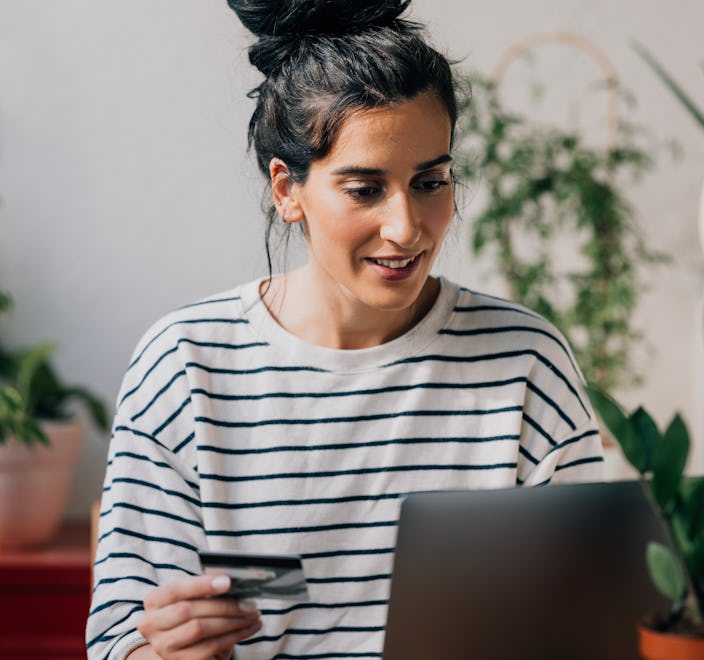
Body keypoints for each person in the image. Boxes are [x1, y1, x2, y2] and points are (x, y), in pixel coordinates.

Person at [86, 1, 604, 658]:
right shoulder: (186, 366)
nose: (407, 227)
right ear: (287, 189)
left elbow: (596, 620)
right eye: (365, 189)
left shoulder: (524, 362)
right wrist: (162, 652)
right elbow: (114, 643)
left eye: (430, 181)